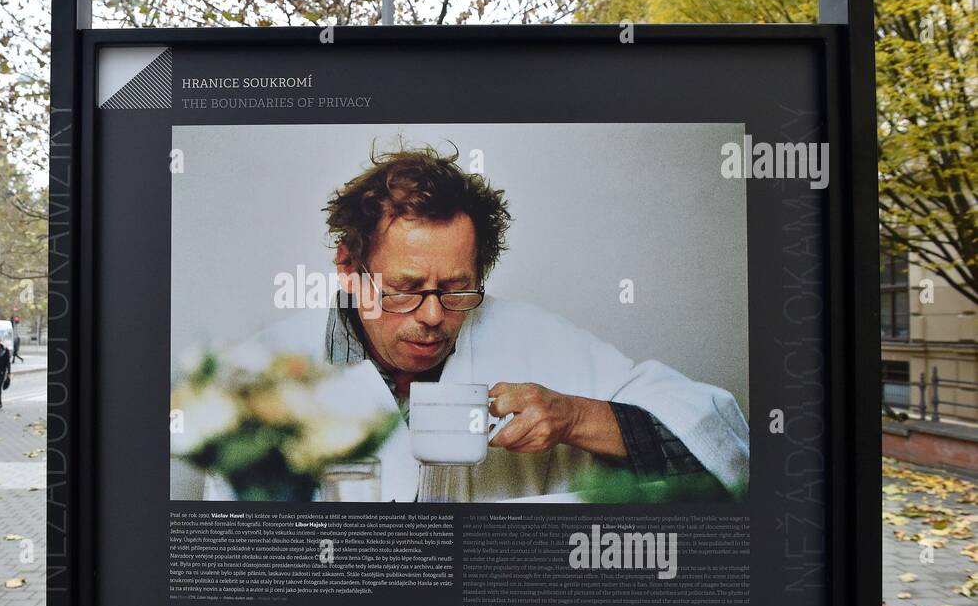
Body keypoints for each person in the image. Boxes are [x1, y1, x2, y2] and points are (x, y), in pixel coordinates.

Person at [202, 146, 749, 503]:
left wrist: (573, 416)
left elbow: (723, 441)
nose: (435, 316)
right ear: (349, 268)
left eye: (457, 288)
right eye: (405, 290)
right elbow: (229, 552)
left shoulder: (534, 338)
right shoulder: (265, 370)